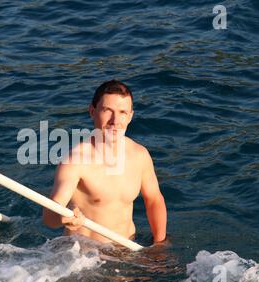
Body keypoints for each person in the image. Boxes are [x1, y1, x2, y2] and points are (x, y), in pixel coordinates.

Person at [42, 79, 167, 245]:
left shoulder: (140, 155)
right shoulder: (76, 160)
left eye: (122, 112)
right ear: (92, 111)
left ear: (130, 116)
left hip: (128, 250)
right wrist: (64, 216)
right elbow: (49, 218)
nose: (115, 121)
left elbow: (154, 200)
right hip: (85, 257)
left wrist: (159, 244)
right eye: (108, 110)